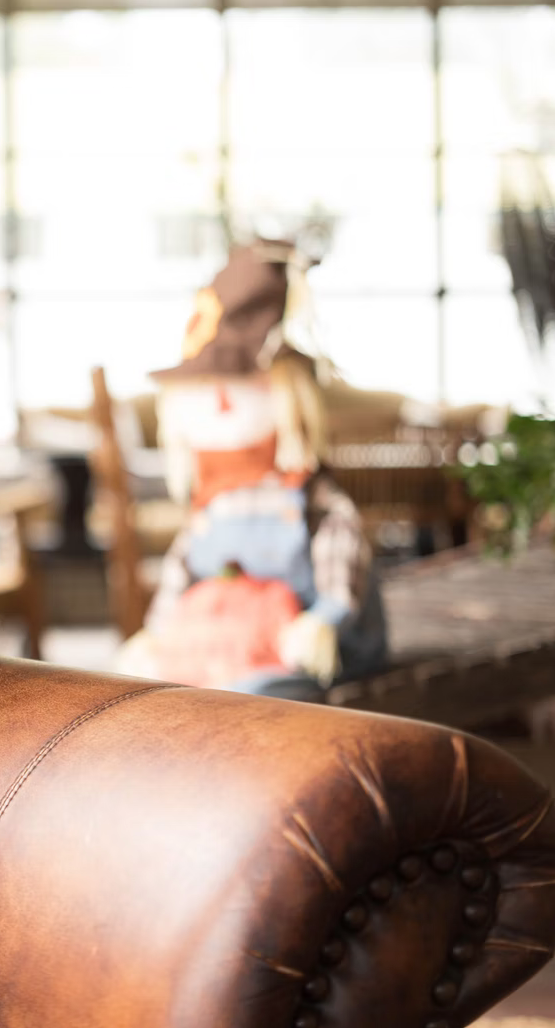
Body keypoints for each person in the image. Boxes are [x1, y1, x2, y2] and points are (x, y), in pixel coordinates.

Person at [117, 241, 386, 701]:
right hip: (233, 643)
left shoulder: (313, 500)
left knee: (260, 696)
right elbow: (183, 573)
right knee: (157, 692)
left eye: (238, 385)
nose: (220, 402)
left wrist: (321, 624)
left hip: (306, 650)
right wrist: (156, 633)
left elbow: (341, 579)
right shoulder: (211, 501)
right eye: (207, 387)